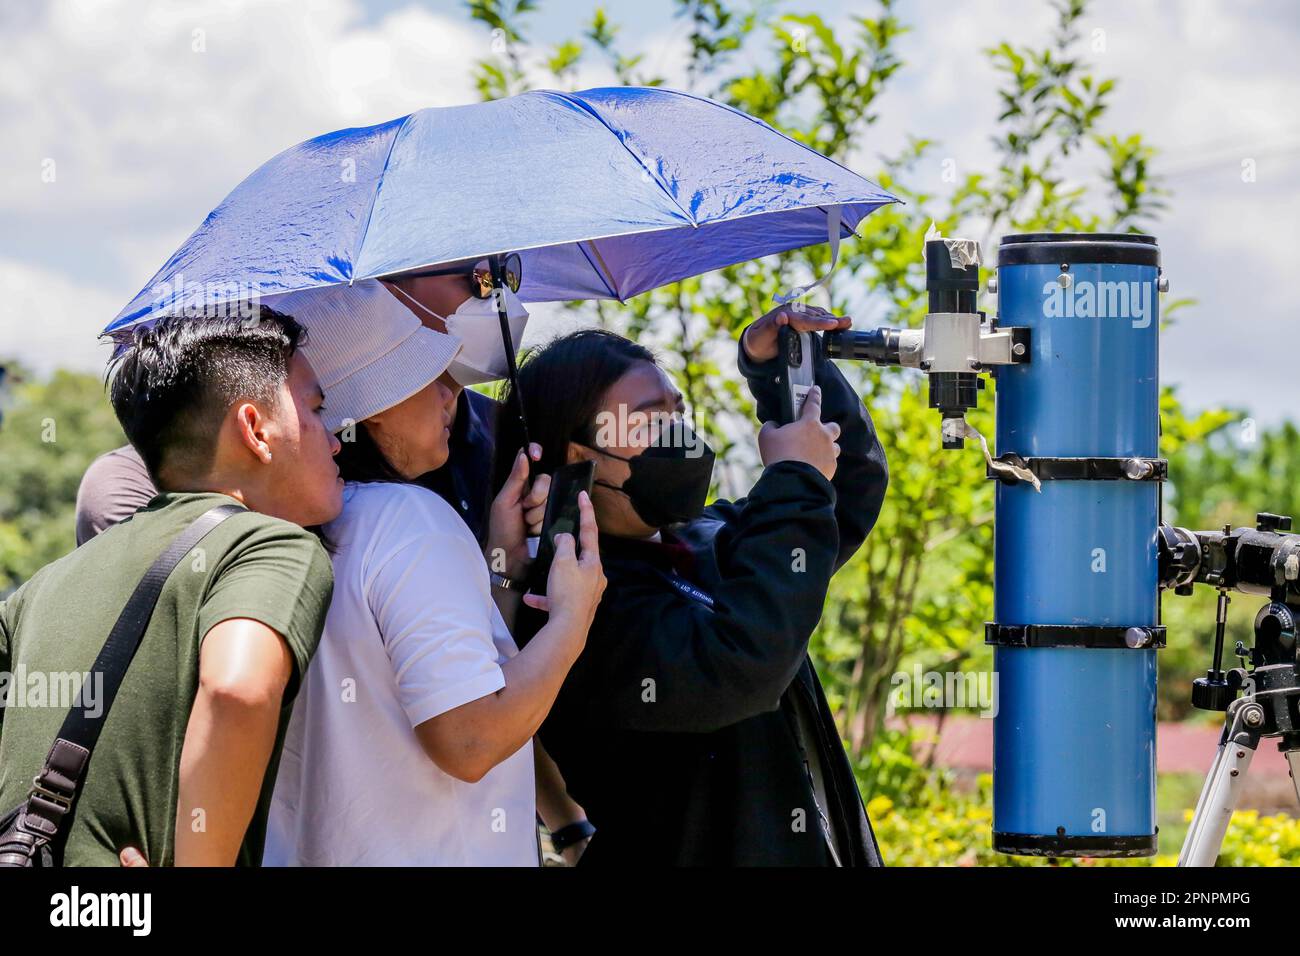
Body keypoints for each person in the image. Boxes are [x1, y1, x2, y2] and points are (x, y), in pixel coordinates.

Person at [494, 305, 890, 866]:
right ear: (581, 455)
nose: (679, 435)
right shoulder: (573, 606)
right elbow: (741, 665)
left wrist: (778, 369)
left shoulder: (707, 540)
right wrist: (794, 479)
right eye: (652, 419)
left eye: (678, 413)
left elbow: (846, 489)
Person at [262, 284, 606, 866]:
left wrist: (501, 564)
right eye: (427, 375)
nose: (453, 394)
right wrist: (572, 619)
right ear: (368, 408)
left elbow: (435, 676)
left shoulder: (303, 530)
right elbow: (470, 740)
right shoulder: (411, 521)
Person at [0, 308, 342, 866]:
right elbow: (238, 690)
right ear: (256, 431)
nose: (334, 439)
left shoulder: (40, 588)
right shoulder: (266, 543)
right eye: (317, 408)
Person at [75, 256, 530, 546]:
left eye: (509, 273)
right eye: (481, 279)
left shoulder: (506, 433)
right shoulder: (135, 486)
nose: (501, 299)